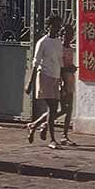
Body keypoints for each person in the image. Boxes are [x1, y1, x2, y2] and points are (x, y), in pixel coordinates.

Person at [26, 15, 63, 149]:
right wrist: (30, 82)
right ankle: (52, 139)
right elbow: (35, 63)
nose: (57, 29)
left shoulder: (58, 42)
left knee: (54, 108)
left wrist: (61, 78)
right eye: (55, 26)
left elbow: (60, 61)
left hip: (56, 76)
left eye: (59, 26)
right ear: (49, 26)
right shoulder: (42, 42)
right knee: (52, 108)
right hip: (45, 76)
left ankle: (33, 125)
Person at [59, 23, 77, 146]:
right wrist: (67, 69)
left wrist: (72, 68)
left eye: (70, 34)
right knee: (62, 108)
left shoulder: (70, 48)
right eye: (66, 34)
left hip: (70, 79)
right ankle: (40, 123)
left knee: (69, 109)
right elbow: (59, 67)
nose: (68, 37)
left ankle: (65, 135)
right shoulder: (59, 49)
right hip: (62, 80)